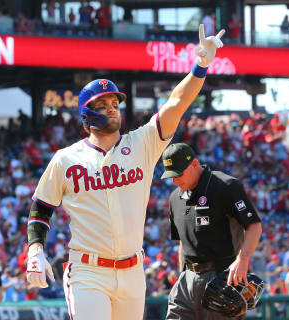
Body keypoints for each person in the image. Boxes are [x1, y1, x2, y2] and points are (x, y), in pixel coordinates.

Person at [25, 25, 225, 320]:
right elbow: (41, 207)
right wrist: (35, 250)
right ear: (86, 113)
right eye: (103, 104)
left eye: (115, 103)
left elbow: (177, 103)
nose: (112, 108)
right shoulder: (66, 159)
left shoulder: (142, 143)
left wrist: (201, 66)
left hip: (133, 271)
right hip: (88, 271)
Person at [161, 142, 262, 320]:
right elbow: (183, 243)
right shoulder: (174, 197)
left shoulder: (225, 186)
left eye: (178, 174)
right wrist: (182, 276)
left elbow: (254, 225)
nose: (174, 180)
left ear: (194, 164)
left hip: (221, 278)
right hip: (187, 280)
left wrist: (243, 259)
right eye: (170, 175)